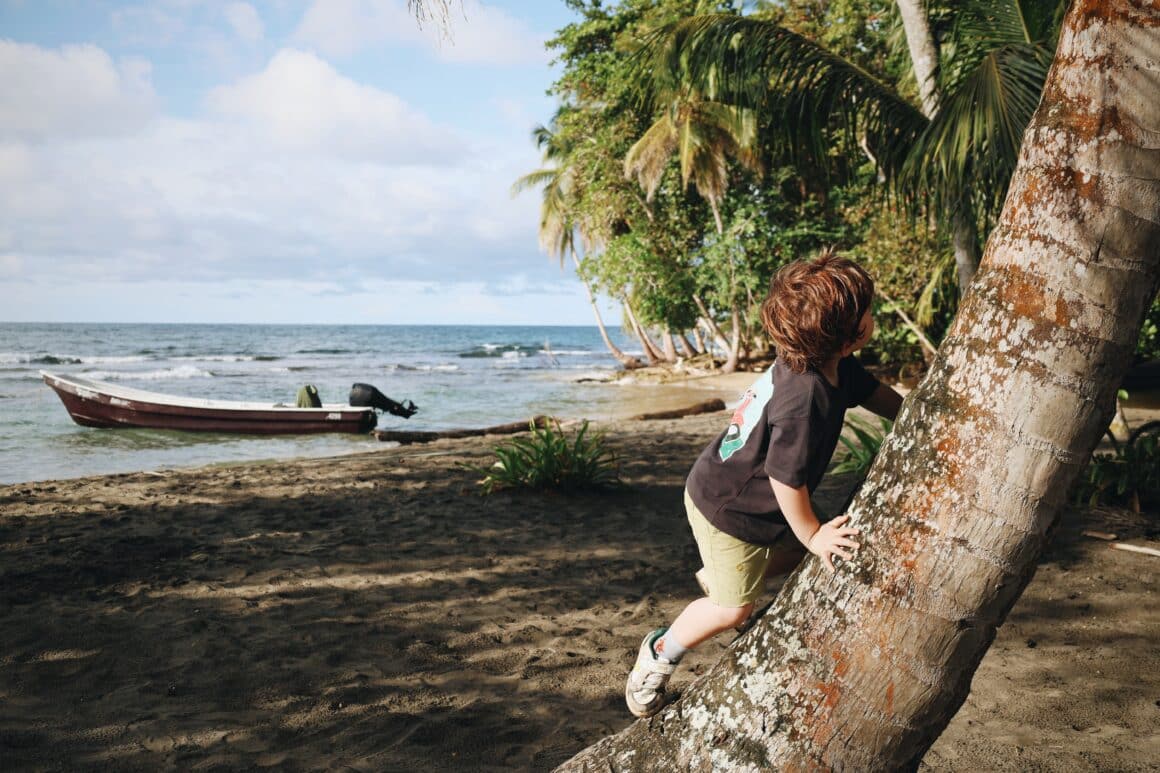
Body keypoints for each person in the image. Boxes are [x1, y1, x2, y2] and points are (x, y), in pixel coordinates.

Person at [625, 250, 904, 718]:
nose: (873, 318)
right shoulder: (806, 395)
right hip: (729, 507)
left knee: (798, 557)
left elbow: (878, 396)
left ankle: (723, 575)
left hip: (745, 497)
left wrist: (913, 415)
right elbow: (783, 477)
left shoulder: (832, 366)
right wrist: (814, 533)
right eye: (867, 311)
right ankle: (659, 654)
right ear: (845, 332)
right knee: (734, 608)